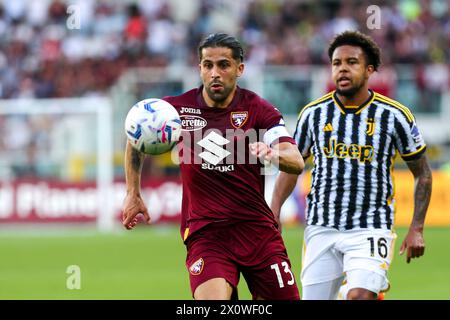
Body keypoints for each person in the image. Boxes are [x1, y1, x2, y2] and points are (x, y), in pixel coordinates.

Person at [122, 33, 304, 300]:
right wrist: (133, 192)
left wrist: (273, 153)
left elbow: (296, 160)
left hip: (257, 231)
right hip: (206, 234)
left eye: (223, 65)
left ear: (239, 69)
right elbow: (136, 136)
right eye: (208, 65)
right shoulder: (175, 110)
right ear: (200, 69)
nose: (215, 73)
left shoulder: (259, 110)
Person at [271, 31, 432, 300]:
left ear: (369, 70)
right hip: (320, 227)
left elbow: (423, 173)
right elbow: (292, 166)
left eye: (352, 62)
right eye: (336, 63)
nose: (342, 68)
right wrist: (274, 210)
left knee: (359, 296)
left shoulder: (394, 116)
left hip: (371, 227)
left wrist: (417, 228)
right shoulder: (313, 114)